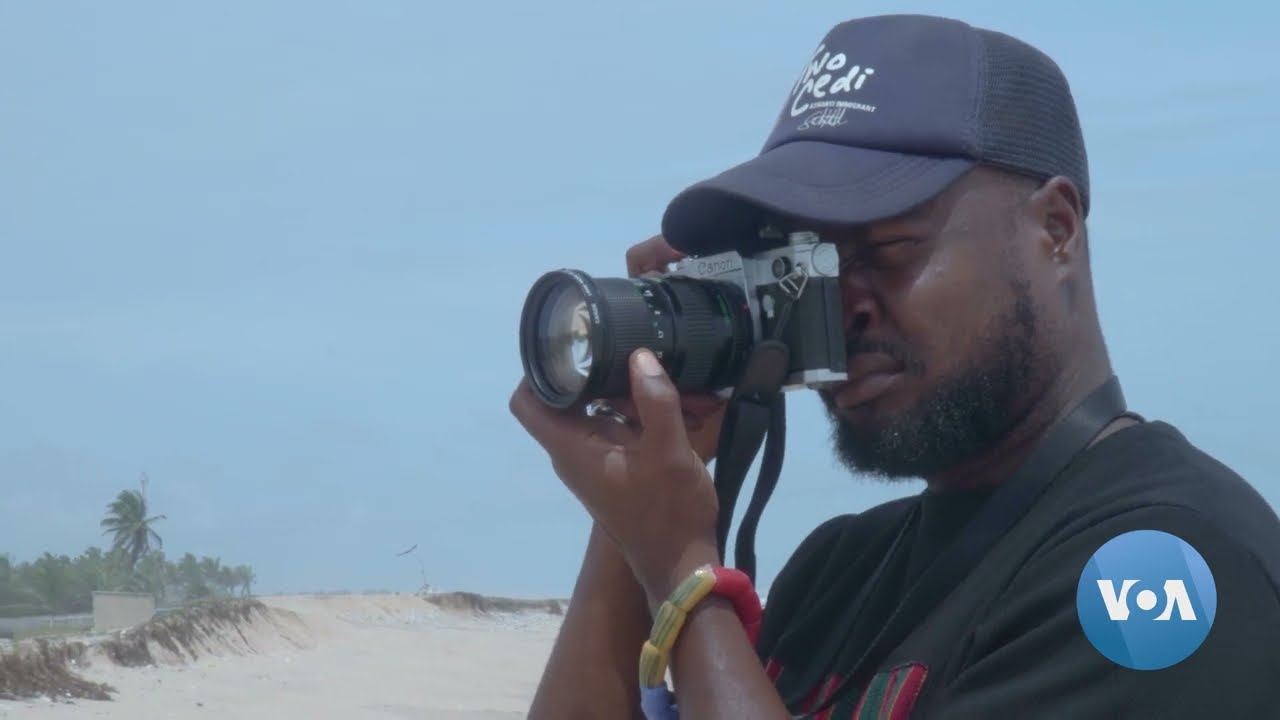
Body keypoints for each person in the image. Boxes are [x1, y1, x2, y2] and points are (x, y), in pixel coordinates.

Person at [508, 13, 1280, 719]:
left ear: (1055, 229)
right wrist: (632, 509)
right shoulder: (836, 573)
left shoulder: (1163, 573)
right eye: (803, 268)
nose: (843, 307)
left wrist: (684, 572)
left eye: (887, 249)